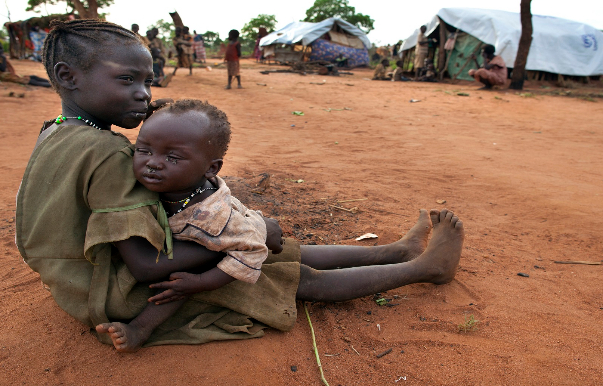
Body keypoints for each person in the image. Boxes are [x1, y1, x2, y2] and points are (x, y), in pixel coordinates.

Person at [15, 19, 464, 352]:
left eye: (148, 81)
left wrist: (244, 234)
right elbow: (149, 268)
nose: (144, 95)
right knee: (289, 272)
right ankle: (424, 269)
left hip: (72, 280)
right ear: (68, 76)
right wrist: (249, 236)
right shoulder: (109, 154)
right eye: (127, 79)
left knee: (265, 245)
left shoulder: (54, 128)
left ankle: (393, 252)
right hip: (115, 290)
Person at [95, 98, 465, 352]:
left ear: (210, 168)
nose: (152, 163)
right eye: (144, 150)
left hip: (233, 255)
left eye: (172, 157)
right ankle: (397, 251)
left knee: (302, 278)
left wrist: (204, 280)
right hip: (220, 245)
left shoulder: (214, 218)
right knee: (290, 256)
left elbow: (248, 253)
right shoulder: (180, 184)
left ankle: (426, 267)